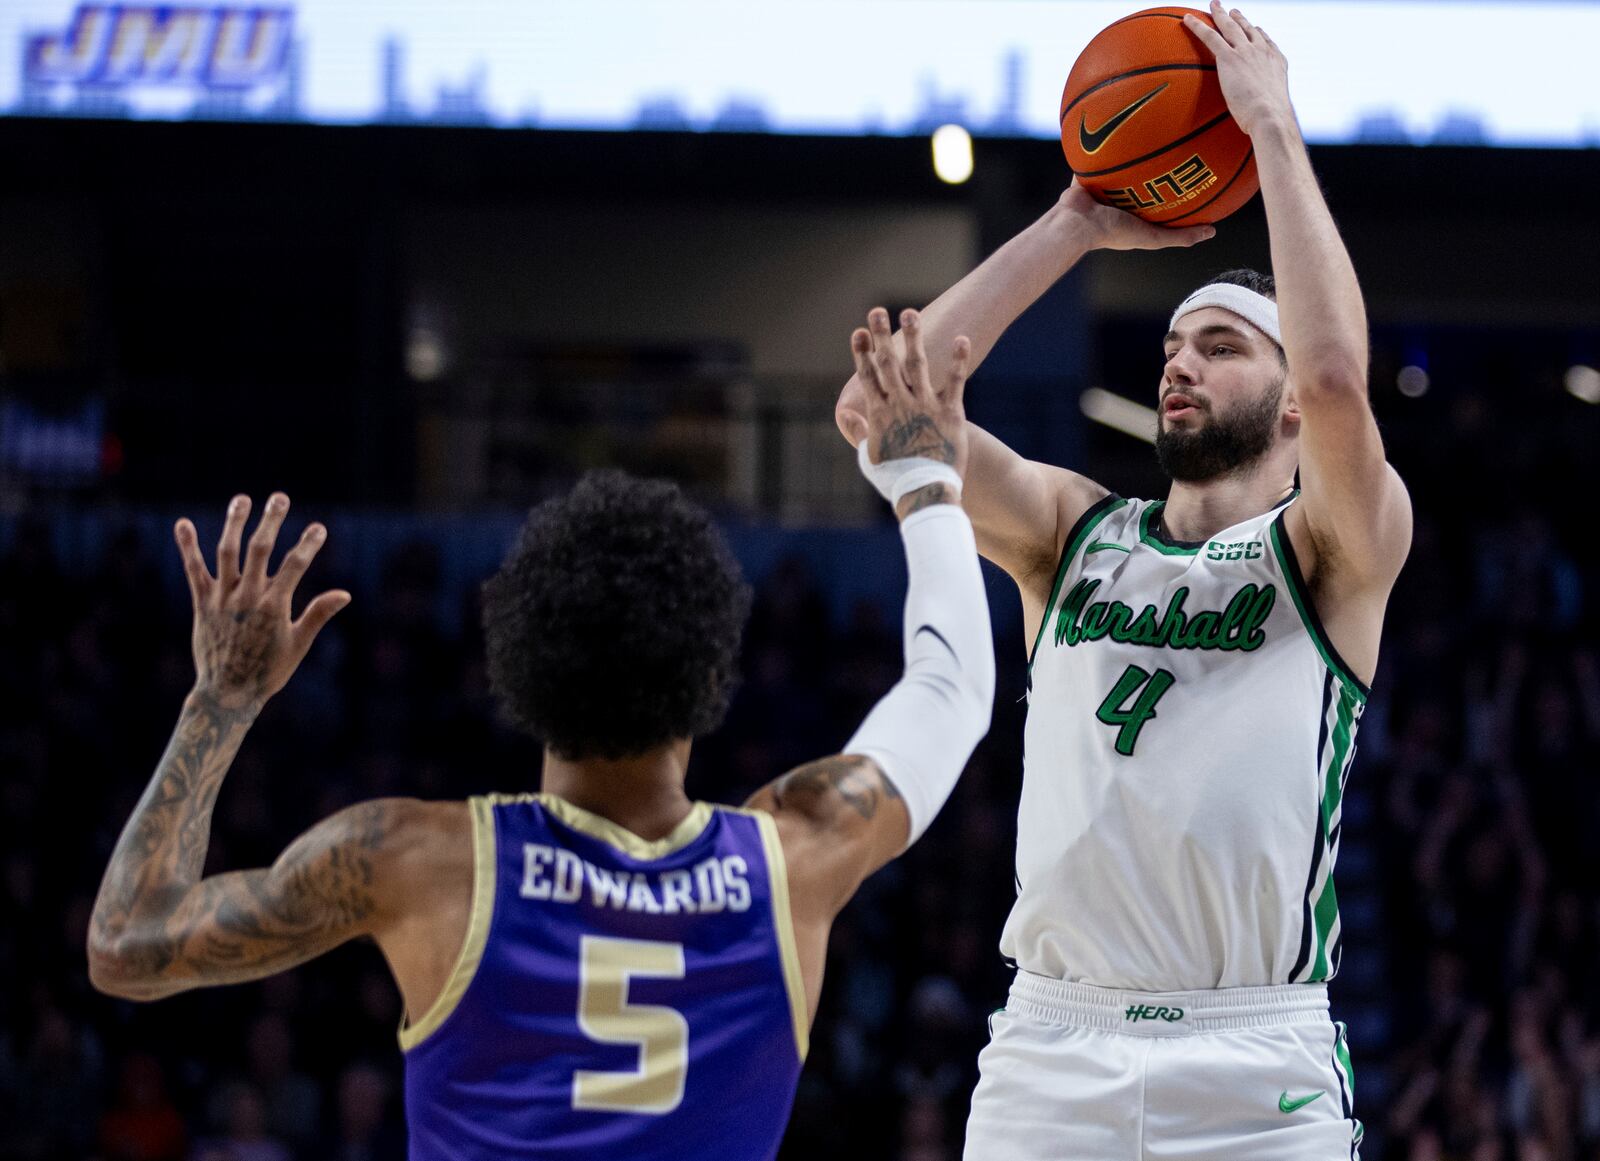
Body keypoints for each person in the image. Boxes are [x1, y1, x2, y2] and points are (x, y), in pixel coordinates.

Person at [87, 309, 995, 1160]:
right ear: (709, 679)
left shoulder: (415, 856)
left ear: (516, 670)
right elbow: (951, 687)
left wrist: (221, 699)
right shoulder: (797, 855)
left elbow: (126, 942)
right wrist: (920, 474)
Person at [834, 6, 1411, 1158]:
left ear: (1290, 402)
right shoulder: (1070, 530)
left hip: (1255, 1064)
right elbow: (881, 420)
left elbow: (1343, 373)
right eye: (1171, 348)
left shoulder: (1334, 553)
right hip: (1053, 1047)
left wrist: (1271, 128)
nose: (1182, 361)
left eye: (1223, 346)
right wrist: (1072, 223)